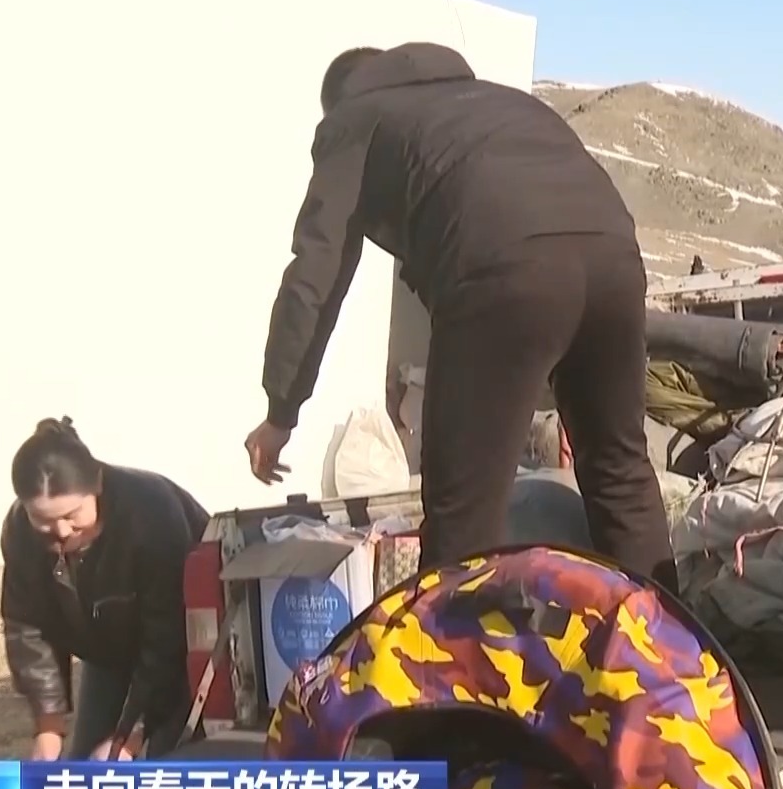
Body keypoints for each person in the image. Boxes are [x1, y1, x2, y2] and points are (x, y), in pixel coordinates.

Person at [243, 42, 676, 587]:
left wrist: (280, 411)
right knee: (620, 475)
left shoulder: (353, 119)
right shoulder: (499, 103)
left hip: (503, 268)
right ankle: (671, 638)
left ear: (339, 100)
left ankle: (456, 643)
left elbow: (316, 275)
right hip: (615, 261)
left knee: (463, 516)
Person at [0, 418, 209, 761]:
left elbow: (168, 637)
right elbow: (27, 627)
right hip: (108, 649)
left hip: (189, 652)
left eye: (72, 515)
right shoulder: (21, 532)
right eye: (44, 521)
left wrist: (131, 736)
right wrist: (48, 731)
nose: (61, 531)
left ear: (96, 484)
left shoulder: (150, 515)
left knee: (165, 763)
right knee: (87, 766)